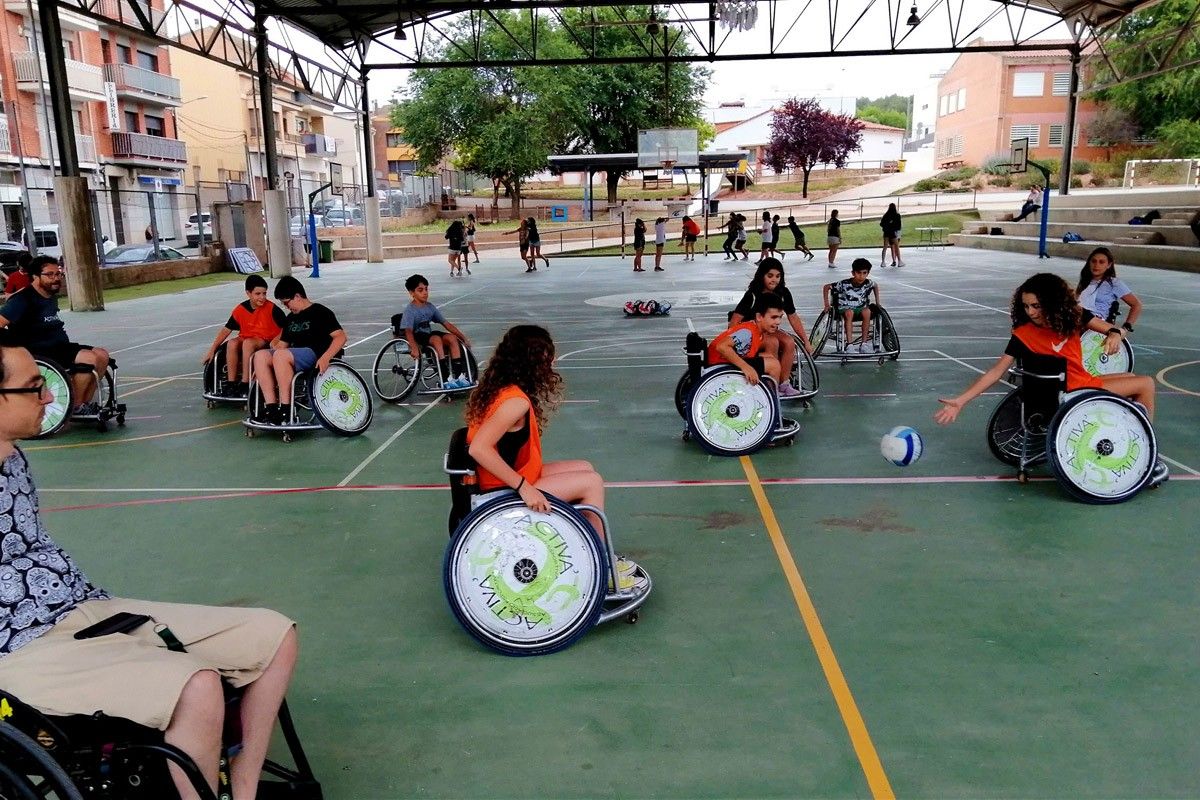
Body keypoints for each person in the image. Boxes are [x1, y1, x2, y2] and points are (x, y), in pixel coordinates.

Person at [0, 337, 299, 800]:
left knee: (275, 635)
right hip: (17, 648)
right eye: (35, 387)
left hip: (80, 607)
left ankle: (242, 789)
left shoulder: (13, 458)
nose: (49, 398)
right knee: (197, 686)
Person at [934, 273, 1165, 482]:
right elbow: (996, 372)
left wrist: (1115, 334)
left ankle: (1131, 424)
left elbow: (1112, 330)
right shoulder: (1069, 318)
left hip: (1069, 387)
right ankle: (1148, 456)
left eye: (1035, 305)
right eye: (1025, 306)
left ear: (1051, 302)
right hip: (1075, 392)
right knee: (1145, 384)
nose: (1030, 312)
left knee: (1129, 376)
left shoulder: (1035, 330)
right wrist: (960, 400)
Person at [464, 325, 643, 588]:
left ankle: (591, 549)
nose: (553, 362)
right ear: (533, 361)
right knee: (591, 482)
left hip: (500, 480)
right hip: (498, 492)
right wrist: (525, 488)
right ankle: (599, 568)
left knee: (585, 467)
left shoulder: (502, 389)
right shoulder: (515, 402)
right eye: (548, 356)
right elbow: (478, 449)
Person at [0, 255, 110, 415]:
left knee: (102, 355)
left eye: (58, 274)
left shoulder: (50, 297)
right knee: (88, 358)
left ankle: (83, 402)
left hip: (59, 347)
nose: (56, 278)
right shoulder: (22, 300)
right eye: (50, 275)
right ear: (36, 276)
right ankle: (76, 407)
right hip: (39, 350)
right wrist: (13, 351)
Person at [250, 276, 346, 425]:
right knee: (261, 355)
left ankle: (286, 409)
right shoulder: (291, 318)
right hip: (291, 356)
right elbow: (281, 345)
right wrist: (262, 365)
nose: (287, 307)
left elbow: (340, 337)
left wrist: (326, 357)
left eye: (287, 303)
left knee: (281, 356)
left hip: (315, 353)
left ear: (297, 296)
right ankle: (272, 408)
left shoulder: (320, 312)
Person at [729, 258, 812, 398]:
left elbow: (793, 317)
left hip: (770, 330)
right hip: (753, 331)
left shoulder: (783, 293)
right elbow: (734, 320)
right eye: (770, 276)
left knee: (789, 341)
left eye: (778, 276)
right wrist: (737, 342)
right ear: (762, 275)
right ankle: (770, 382)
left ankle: (784, 383)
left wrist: (806, 340)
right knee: (772, 341)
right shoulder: (753, 295)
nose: (774, 280)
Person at [200, 274, 286, 397]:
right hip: (248, 337)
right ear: (248, 293)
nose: (262, 297)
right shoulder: (241, 309)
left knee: (248, 343)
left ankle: (246, 383)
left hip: (267, 340)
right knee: (232, 343)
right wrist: (212, 350)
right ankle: (231, 383)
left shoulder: (272, 309)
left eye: (264, 293)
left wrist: (277, 340)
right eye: (258, 294)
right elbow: (226, 330)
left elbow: (286, 327)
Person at [396, 274, 473, 389]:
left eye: (426, 289)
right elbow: (408, 331)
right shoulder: (410, 310)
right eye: (420, 290)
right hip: (417, 337)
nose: (425, 292)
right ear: (412, 293)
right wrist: (413, 347)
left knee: (452, 338)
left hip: (428, 335)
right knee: (436, 339)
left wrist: (463, 337)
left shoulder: (430, 307)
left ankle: (459, 376)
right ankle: (446, 378)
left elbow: (446, 324)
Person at [707, 293, 786, 386]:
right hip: (719, 366)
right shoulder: (747, 332)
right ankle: (772, 395)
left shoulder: (757, 330)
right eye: (773, 317)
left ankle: (769, 388)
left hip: (724, 362)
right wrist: (746, 367)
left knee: (770, 356)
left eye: (780, 317)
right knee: (774, 365)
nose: (778, 322)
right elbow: (721, 346)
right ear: (759, 317)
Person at [823, 257, 881, 354]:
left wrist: (878, 301)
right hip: (845, 308)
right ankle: (850, 345)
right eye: (859, 273)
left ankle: (864, 344)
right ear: (853, 273)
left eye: (864, 273)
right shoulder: (844, 284)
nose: (861, 276)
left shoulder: (868, 283)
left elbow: (875, 286)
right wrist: (826, 304)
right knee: (849, 313)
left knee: (867, 312)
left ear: (868, 273)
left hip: (860, 308)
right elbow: (826, 287)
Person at [1076, 246, 1141, 329]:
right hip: (1080, 322)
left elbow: (1136, 305)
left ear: (1109, 265)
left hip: (1099, 327)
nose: (1096, 265)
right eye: (1093, 261)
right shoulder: (1085, 281)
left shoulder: (1114, 283)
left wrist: (1126, 327)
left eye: (1101, 262)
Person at [879, 202, 904, 268]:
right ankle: (899, 261)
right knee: (896, 247)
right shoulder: (897, 215)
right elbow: (899, 226)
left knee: (885, 247)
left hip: (886, 233)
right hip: (893, 233)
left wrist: (887, 225)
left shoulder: (886, 215)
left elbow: (881, 224)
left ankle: (883, 262)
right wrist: (893, 226)